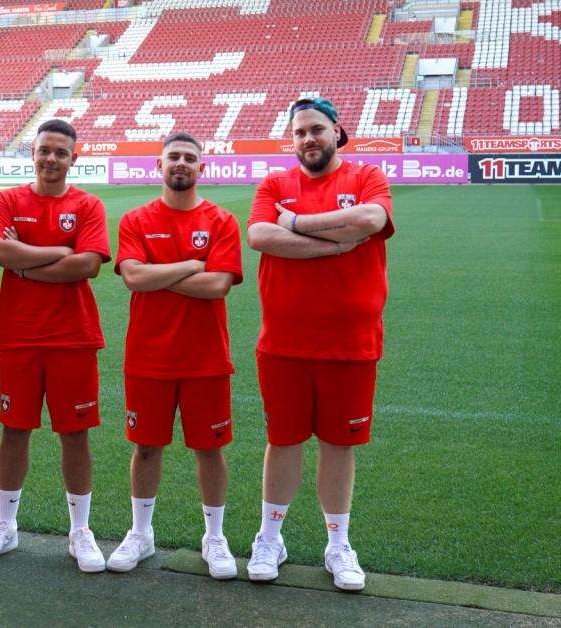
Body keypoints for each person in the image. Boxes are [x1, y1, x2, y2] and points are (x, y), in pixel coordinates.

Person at [245, 97, 394, 591]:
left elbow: (370, 221)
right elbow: (260, 236)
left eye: (316, 129)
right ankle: (270, 538)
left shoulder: (366, 176)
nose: (308, 138)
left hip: (351, 343)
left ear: (336, 131)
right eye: (299, 132)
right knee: (283, 441)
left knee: (339, 444)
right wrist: (334, 242)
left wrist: (295, 224)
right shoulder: (275, 184)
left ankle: (338, 544)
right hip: (284, 342)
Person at [0, 119, 112, 572]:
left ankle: (80, 530)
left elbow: (87, 266)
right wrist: (59, 252)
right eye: (44, 150)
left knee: (75, 433)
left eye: (60, 152)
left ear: (74, 158)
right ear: (32, 152)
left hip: (73, 336)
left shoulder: (87, 204)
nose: (51, 158)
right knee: (14, 429)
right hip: (19, 335)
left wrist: (26, 263)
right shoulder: (9, 200)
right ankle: (5, 525)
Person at [107, 133, 243, 579]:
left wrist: (158, 274)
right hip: (148, 357)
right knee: (146, 448)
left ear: (202, 167)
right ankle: (141, 533)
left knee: (210, 450)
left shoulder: (221, 220)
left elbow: (218, 285)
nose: (181, 163)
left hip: (206, 357)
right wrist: (191, 265)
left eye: (189, 158)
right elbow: (133, 277)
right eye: (173, 157)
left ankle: (214, 537)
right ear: (159, 165)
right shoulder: (136, 219)